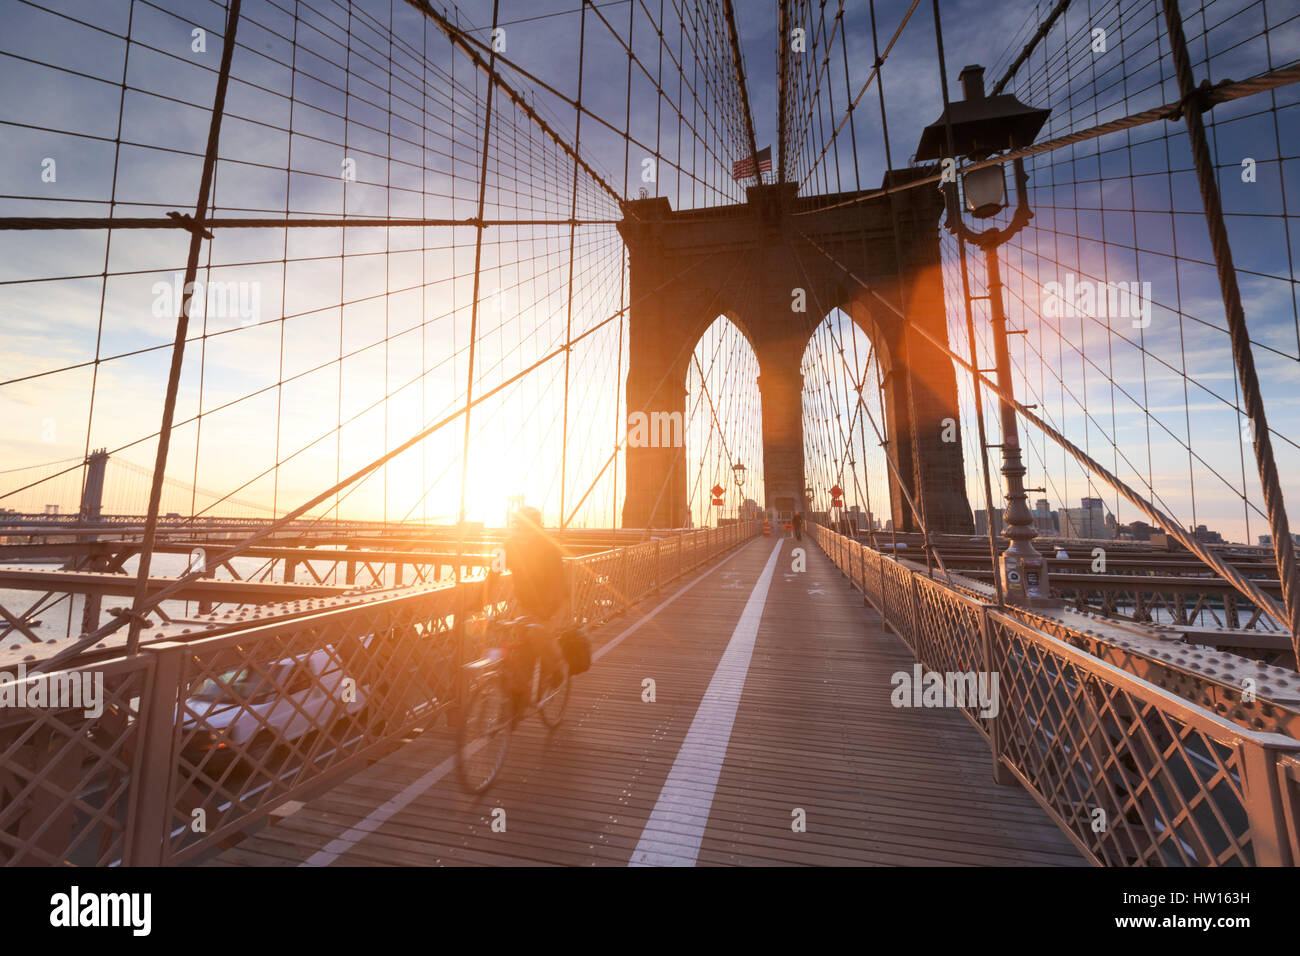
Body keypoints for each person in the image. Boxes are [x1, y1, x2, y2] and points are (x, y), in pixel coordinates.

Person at [504, 505, 568, 685]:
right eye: (517, 526)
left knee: (538, 638)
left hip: (550, 603)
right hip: (524, 603)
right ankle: (520, 699)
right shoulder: (509, 545)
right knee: (521, 649)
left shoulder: (548, 548)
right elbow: (494, 571)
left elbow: (558, 583)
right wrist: (478, 602)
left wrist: (548, 610)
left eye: (526, 527)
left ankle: (556, 668)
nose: (521, 531)